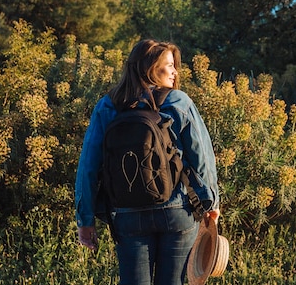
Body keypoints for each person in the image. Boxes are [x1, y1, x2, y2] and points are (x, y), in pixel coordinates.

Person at [75, 39, 220, 285]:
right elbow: (202, 156)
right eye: (169, 66)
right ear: (150, 68)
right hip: (178, 210)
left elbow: (88, 167)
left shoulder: (108, 105)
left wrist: (85, 220)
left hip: (127, 213)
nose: (175, 72)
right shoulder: (179, 102)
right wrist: (211, 201)